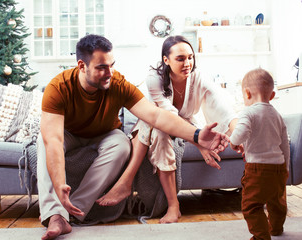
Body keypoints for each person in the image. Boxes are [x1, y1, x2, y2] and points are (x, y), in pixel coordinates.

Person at [37, 34, 230, 240]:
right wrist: (59, 183)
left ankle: (75, 210)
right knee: (43, 141)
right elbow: (55, 140)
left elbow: (156, 115)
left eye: (111, 65)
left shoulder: (117, 83)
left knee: (122, 145)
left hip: (104, 134)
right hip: (69, 133)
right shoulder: (59, 87)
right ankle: (55, 215)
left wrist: (197, 135)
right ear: (82, 66)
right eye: (101, 67)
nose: (109, 73)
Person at [96, 35, 237, 223]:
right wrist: (199, 142)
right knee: (157, 127)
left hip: (187, 125)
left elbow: (224, 111)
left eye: (190, 57)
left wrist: (238, 139)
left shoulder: (199, 78)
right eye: (180, 59)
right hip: (157, 122)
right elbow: (166, 117)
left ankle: (128, 183)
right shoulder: (154, 79)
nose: (187, 63)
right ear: (166, 60)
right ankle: (173, 205)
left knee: (158, 127)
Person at [230, 68, 290, 240]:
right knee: (277, 202)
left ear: (247, 93)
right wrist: (285, 167)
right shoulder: (277, 115)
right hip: (278, 168)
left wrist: (234, 142)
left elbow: (239, 133)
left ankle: (261, 236)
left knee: (251, 205)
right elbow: (285, 143)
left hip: (258, 169)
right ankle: (276, 228)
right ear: (271, 96)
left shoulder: (248, 112)